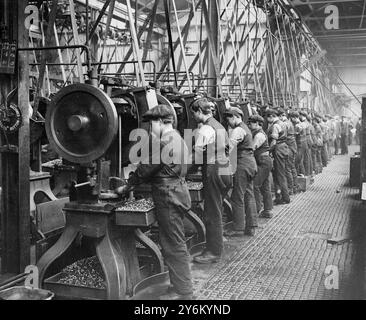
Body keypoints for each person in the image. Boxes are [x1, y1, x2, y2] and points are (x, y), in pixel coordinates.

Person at [116, 104, 193, 300]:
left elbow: (147, 168)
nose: (151, 129)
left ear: (160, 122)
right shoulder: (178, 138)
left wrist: (127, 185)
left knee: (173, 243)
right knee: (174, 240)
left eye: (152, 125)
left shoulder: (166, 141)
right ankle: (179, 286)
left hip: (168, 194)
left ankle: (184, 292)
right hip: (177, 190)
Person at [190, 98, 233, 264]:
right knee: (217, 208)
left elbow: (196, 156)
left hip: (214, 170)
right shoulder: (219, 125)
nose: (193, 117)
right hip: (225, 168)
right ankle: (216, 245)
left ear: (200, 112)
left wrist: (179, 170)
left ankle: (213, 252)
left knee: (212, 212)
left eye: (194, 113)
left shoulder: (206, 128)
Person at [223, 107, 258, 237]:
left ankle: (238, 228)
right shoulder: (246, 128)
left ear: (235, 117)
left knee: (237, 196)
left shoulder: (238, 130)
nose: (228, 123)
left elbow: (229, 148)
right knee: (249, 194)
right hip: (251, 163)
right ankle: (251, 226)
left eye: (229, 119)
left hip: (242, 164)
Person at [248, 115, 274, 219]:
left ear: (257, 123)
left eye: (251, 123)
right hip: (265, 162)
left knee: (255, 185)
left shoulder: (259, 135)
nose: (249, 125)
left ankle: (256, 209)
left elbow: (252, 148)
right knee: (265, 186)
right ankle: (268, 210)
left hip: (262, 162)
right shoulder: (258, 133)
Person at [266, 109, 290, 205]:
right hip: (284, 148)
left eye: (267, 117)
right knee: (279, 174)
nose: (267, 120)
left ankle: (285, 198)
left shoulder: (275, 125)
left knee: (280, 174)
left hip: (278, 149)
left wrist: (268, 150)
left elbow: (274, 141)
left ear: (271, 116)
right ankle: (279, 196)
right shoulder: (283, 123)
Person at [279, 108, 298, 194]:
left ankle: (290, 188)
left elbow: (283, 136)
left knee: (288, 168)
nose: (280, 118)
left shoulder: (286, 124)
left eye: (281, 116)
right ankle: (295, 186)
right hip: (293, 147)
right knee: (292, 167)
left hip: (289, 147)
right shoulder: (291, 123)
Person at [289, 111, 306, 176]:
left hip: (299, 145)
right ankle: (301, 174)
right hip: (302, 144)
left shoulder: (297, 125)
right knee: (300, 160)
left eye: (291, 118)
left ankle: (299, 175)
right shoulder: (301, 124)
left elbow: (294, 135)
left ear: (294, 118)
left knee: (297, 160)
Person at [299, 111, 312, 177]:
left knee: (304, 158)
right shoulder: (308, 122)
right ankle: (308, 173)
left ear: (302, 116)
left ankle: (305, 173)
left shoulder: (303, 123)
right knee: (307, 157)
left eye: (300, 115)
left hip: (305, 140)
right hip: (308, 140)